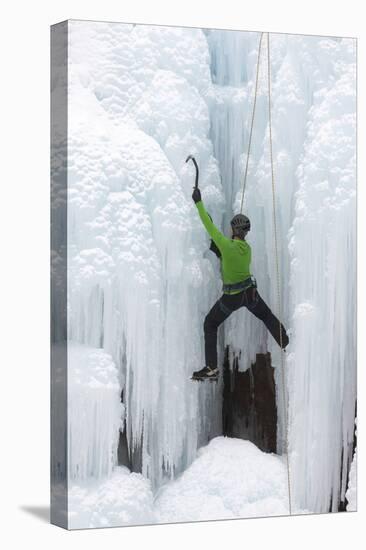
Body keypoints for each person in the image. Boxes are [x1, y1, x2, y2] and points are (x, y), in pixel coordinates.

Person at [191, 185, 289, 381]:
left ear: (234, 229)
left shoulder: (227, 245)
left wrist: (198, 202)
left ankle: (211, 368)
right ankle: (285, 342)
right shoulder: (247, 249)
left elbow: (210, 227)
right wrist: (218, 250)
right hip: (250, 295)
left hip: (232, 298)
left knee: (210, 324)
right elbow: (230, 258)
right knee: (266, 315)